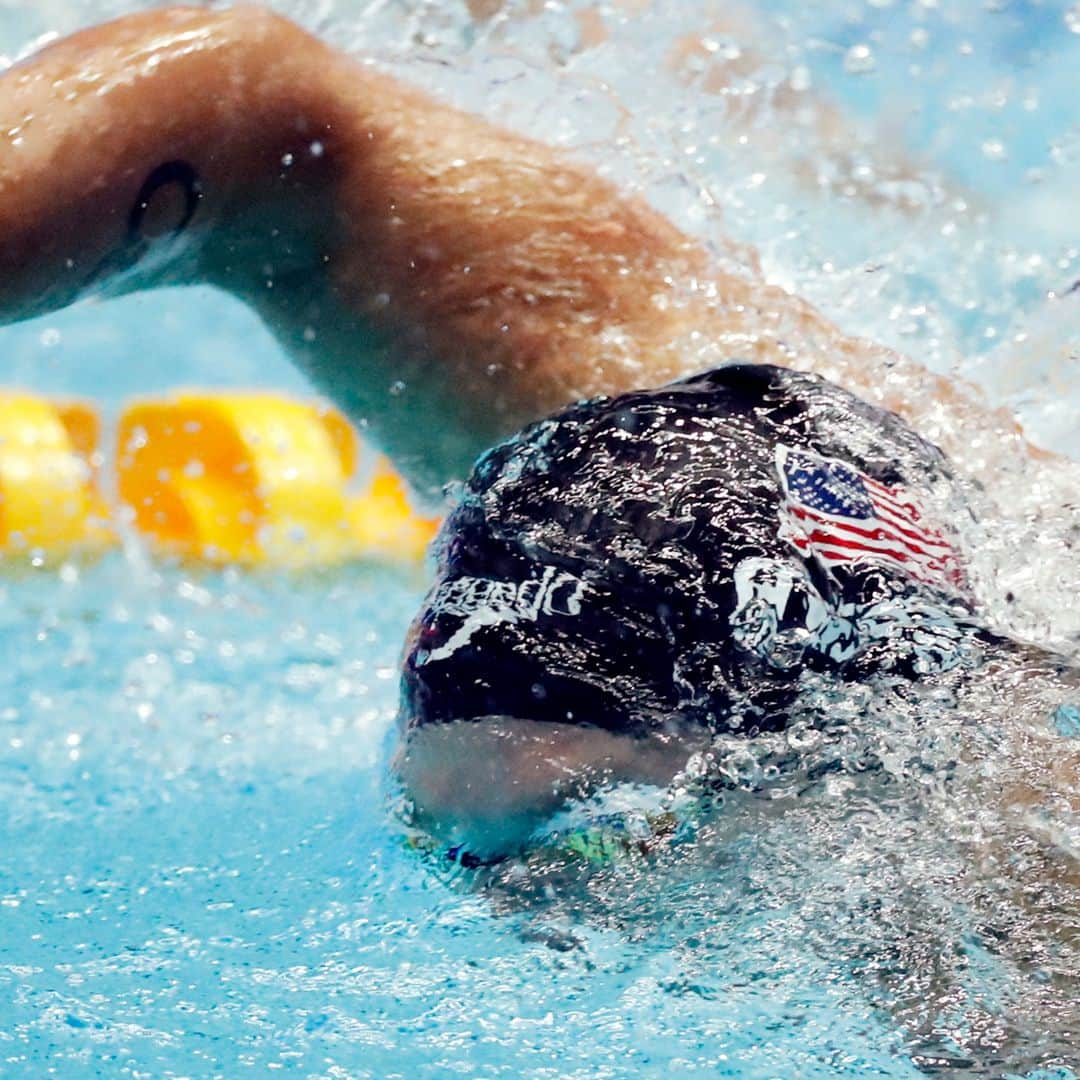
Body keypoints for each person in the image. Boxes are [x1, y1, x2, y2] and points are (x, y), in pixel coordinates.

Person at [0, 5, 1073, 859]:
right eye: (449, 851)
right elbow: (254, 112)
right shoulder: (645, 439)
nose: (515, 924)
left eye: (588, 841)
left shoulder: (1006, 899)